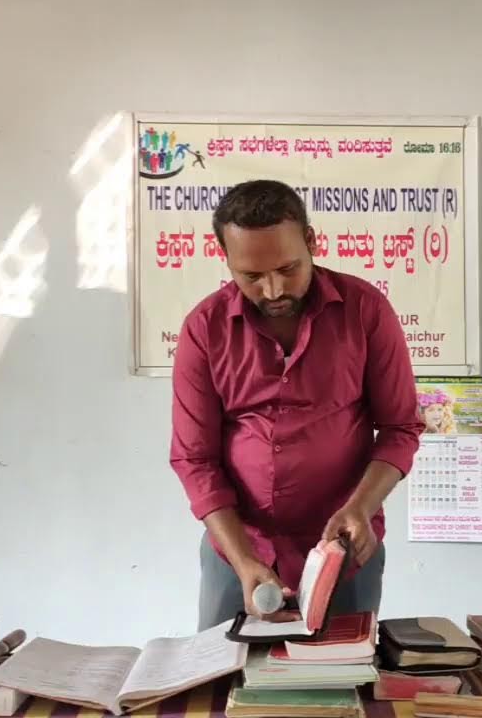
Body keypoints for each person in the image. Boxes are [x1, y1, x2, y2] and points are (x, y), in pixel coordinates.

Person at [169, 179, 424, 631]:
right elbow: (194, 458)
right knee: (228, 688)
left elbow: (401, 428)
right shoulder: (203, 329)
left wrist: (360, 507)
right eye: (251, 276)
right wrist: (244, 560)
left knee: (340, 687)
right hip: (238, 553)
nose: (272, 290)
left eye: (288, 268)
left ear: (311, 241)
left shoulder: (365, 311)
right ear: (224, 258)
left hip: (345, 548)